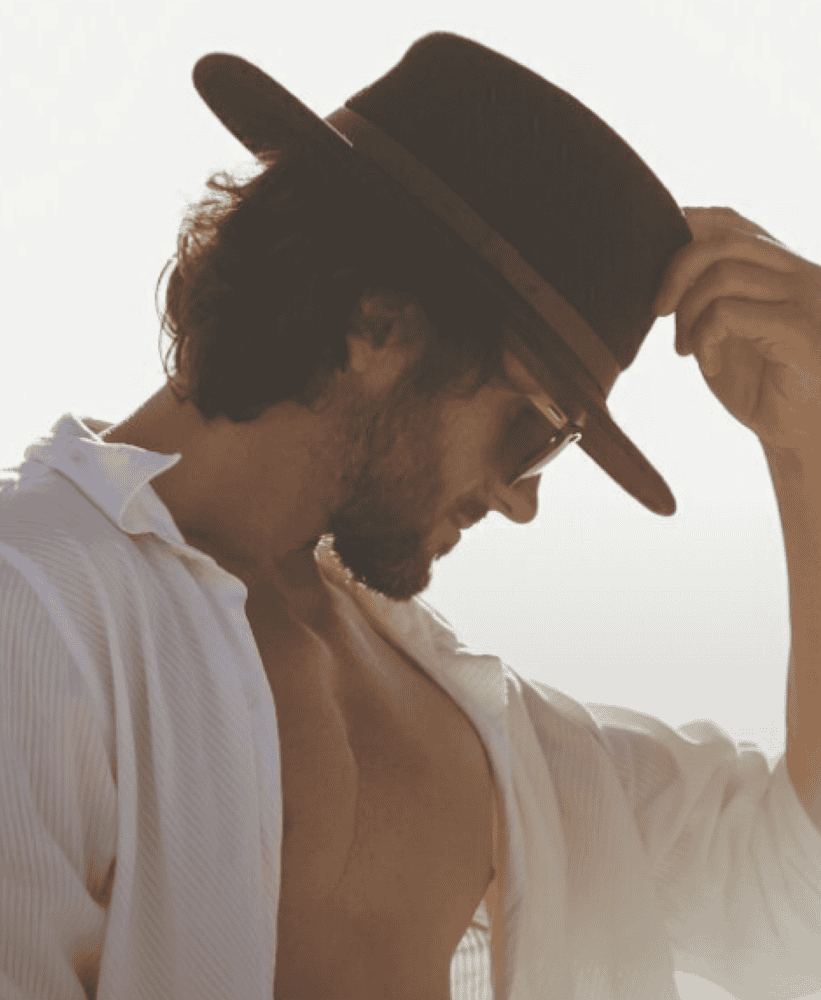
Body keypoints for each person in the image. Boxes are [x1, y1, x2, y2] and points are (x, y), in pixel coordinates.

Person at [1, 31, 820, 1000]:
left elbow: (791, 909)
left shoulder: (467, 725)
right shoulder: (37, 606)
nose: (521, 499)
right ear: (377, 325)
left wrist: (804, 446)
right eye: (534, 429)